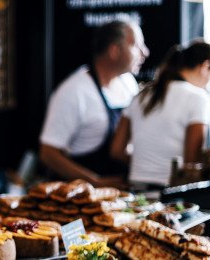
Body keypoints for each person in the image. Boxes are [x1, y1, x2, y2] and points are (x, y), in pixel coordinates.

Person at [39, 20, 149, 187]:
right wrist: (95, 182)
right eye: (136, 45)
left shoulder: (128, 83)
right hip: (81, 196)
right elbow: (48, 154)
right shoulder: (74, 92)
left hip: (122, 191)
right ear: (114, 51)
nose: (145, 52)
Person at [110, 41, 210, 187]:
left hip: (136, 188)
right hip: (172, 192)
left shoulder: (141, 95)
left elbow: (116, 151)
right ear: (205, 67)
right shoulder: (198, 98)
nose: (208, 83)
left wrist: (146, 164)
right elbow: (191, 163)